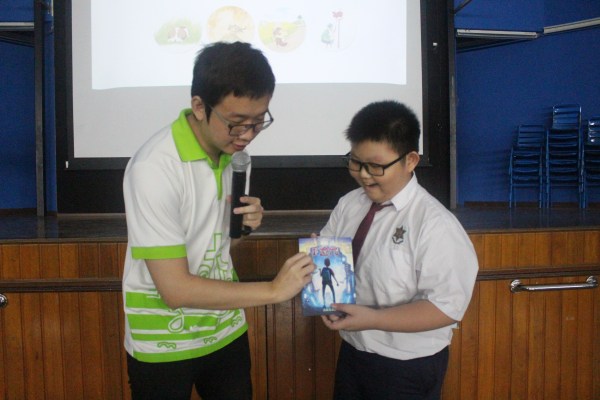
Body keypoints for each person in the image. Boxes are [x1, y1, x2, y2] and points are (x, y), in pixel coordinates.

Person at [121, 41, 315, 400]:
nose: (247, 135)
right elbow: (175, 290)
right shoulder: (155, 168)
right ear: (199, 107)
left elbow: (216, 247)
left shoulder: (235, 157)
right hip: (164, 340)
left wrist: (241, 229)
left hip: (224, 328)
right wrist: (274, 290)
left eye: (259, 122)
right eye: (236, 124)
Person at [319, 100, 478, 399]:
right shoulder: (350, 204)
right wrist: (317, 259)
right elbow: (329, 256)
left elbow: (446, 308)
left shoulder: (435, 224)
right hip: (354, 350)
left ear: (411, 160)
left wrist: (372, 318)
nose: (364, 175)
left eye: (376, 166)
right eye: (355, 162)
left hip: (407, 365)